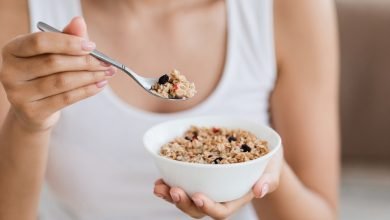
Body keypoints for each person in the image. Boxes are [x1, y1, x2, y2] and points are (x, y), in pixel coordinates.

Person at [0, 0, 339, 219]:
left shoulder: (290, 8)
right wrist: (29, 124)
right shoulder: (20, 12)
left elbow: (322, 212)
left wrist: (261, 171)